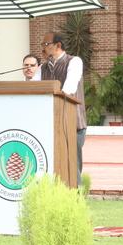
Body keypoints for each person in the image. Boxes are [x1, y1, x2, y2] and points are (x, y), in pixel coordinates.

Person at [41, 32, 87, 186]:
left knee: (72, 164)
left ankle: (76, 195)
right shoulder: (43, 67)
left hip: (73, 123)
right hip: (50, 124)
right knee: (51, 162)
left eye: (46, 44)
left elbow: (69, 88)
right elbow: (33, 87)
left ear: (58, 45)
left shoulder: (74, 62)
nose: (43, 47)